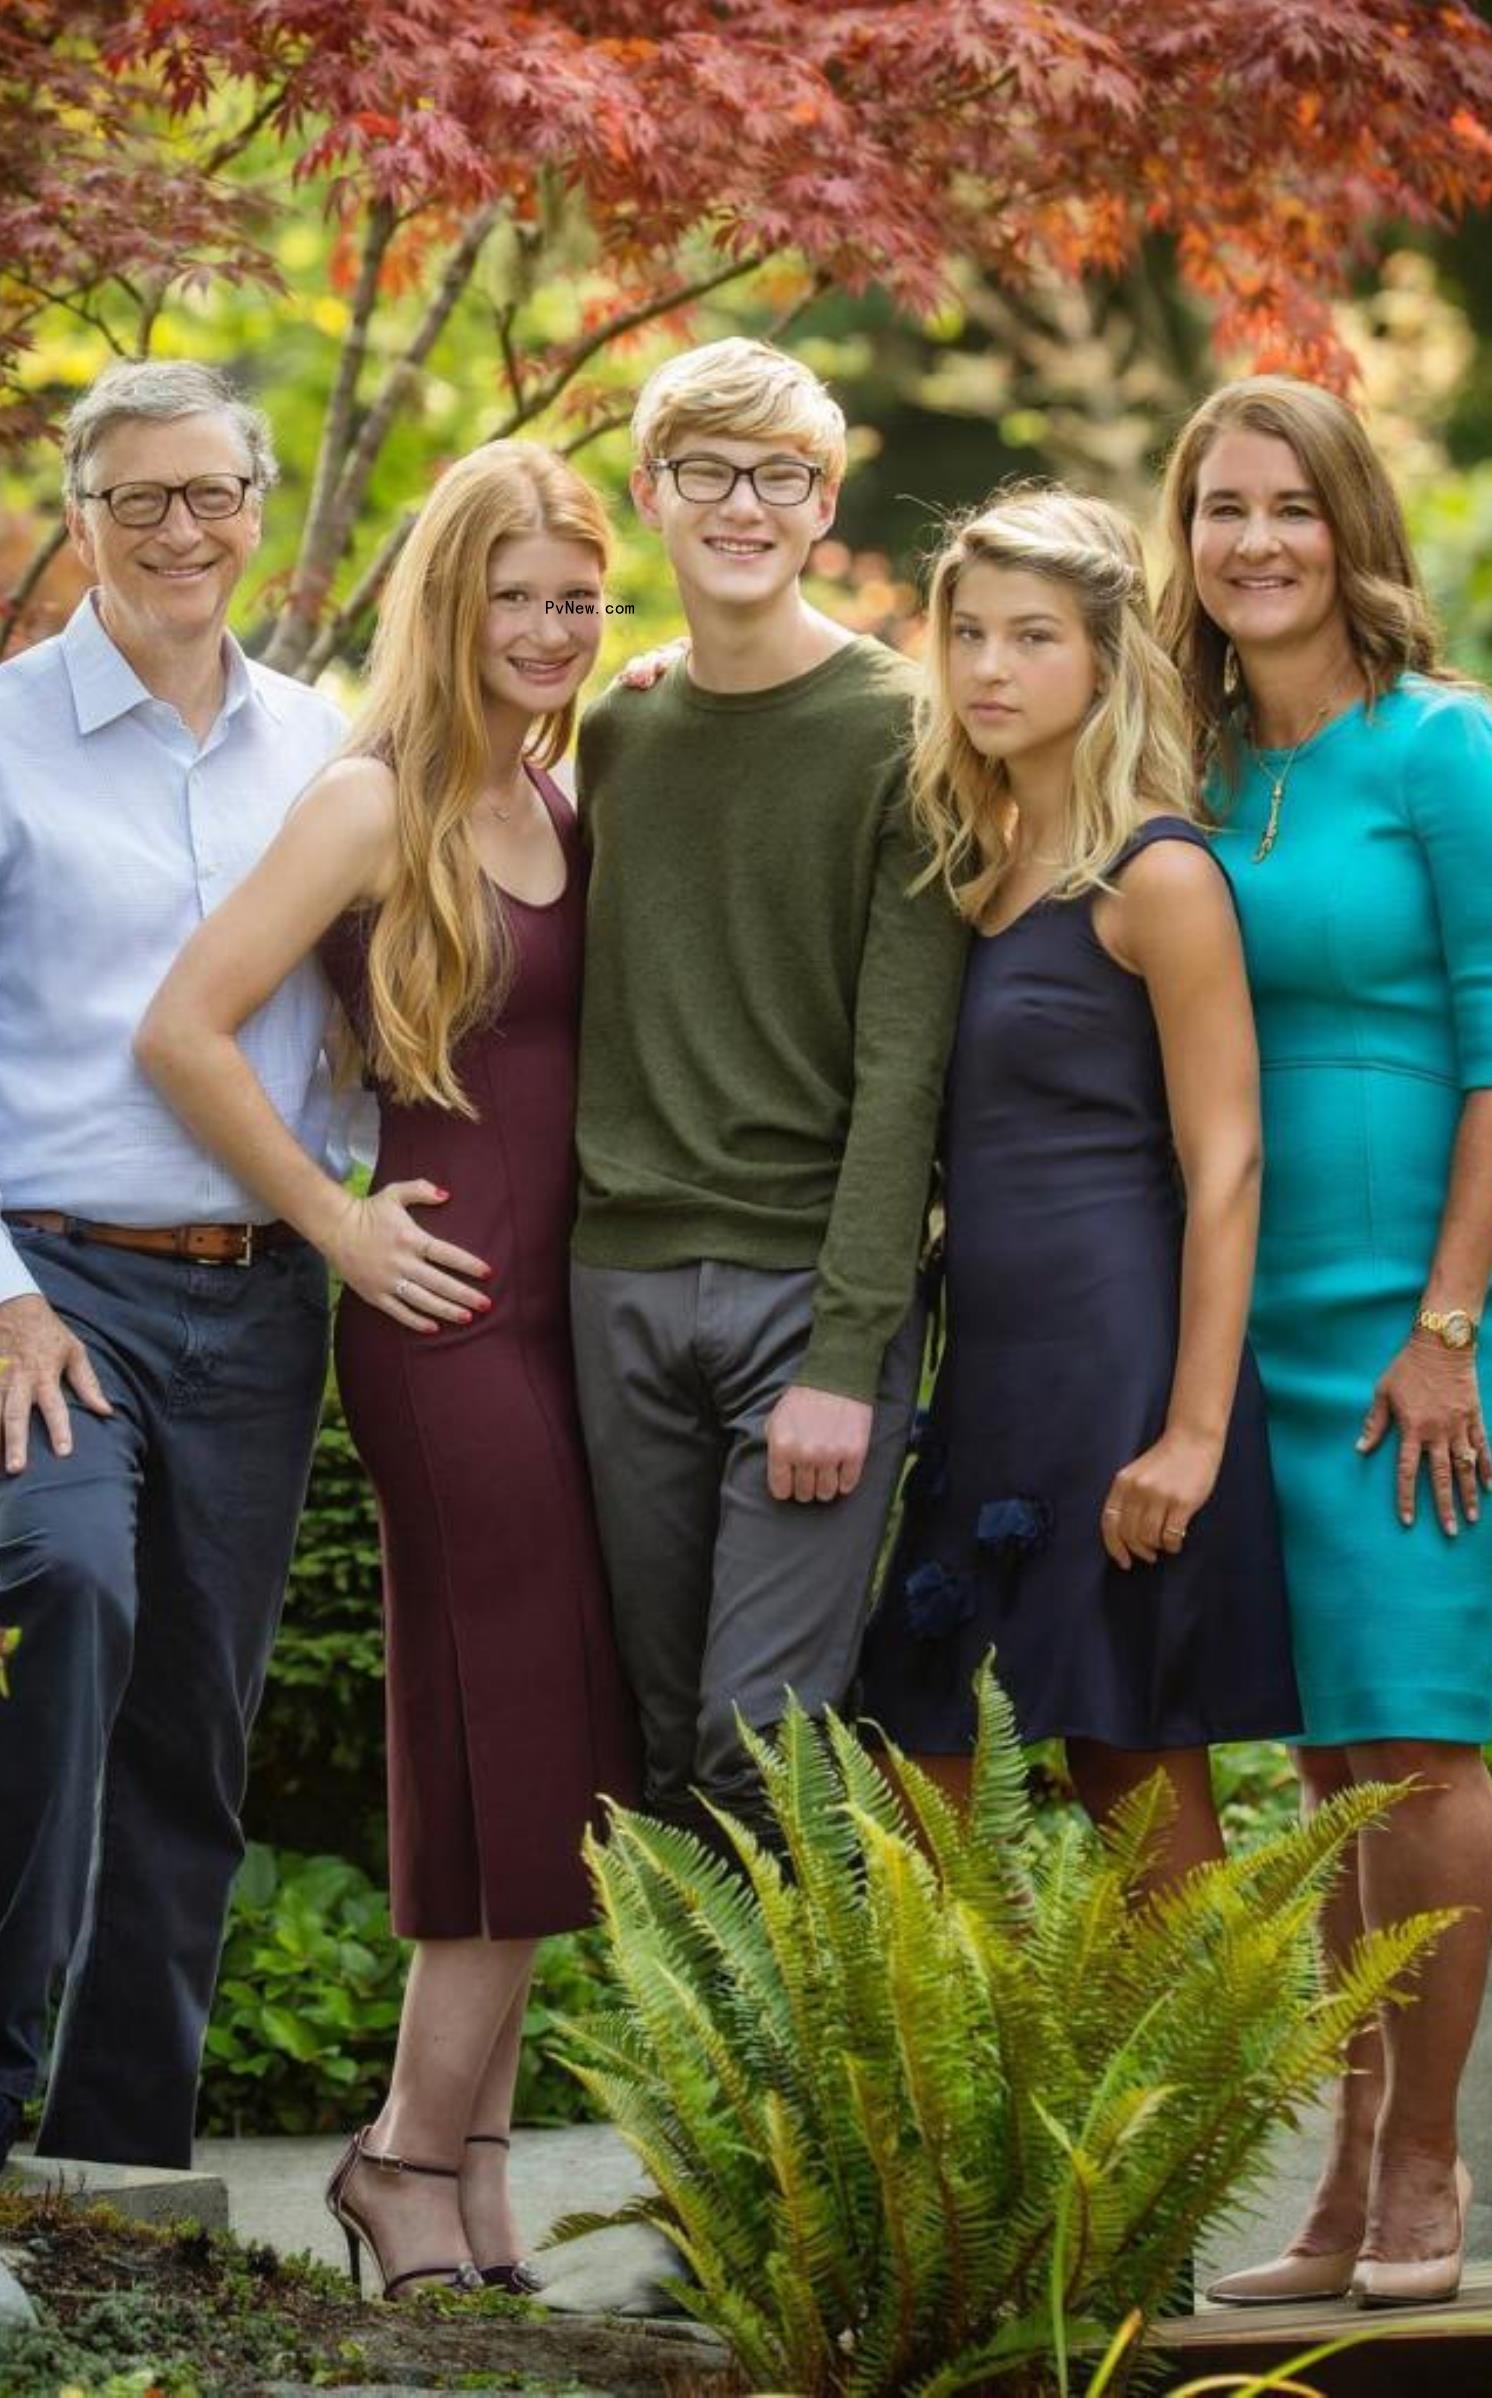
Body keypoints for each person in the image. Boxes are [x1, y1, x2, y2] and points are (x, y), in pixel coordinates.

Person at [0, 360, 348, 2183]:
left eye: (214, 493)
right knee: (56, 1594)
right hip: (53, 1284)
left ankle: (132, 2143)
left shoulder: (324, 744)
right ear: (82, 518)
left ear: (256, 505)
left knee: (198, 1713)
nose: (184, 531)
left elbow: (367, 1027)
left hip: (263, 1299)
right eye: (143, 500)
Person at [137, 440, 635, 2299]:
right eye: (513, 593)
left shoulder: (573, 792)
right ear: (450, 600)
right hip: (440, 1324)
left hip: (570, 1328)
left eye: (578, 595)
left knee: (522, 1747)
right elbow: (182, 1028)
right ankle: (405, 2157)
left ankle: (475, 2172)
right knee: (516, 1728)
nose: (548, 626)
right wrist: (336, 1222)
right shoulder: (371, 805)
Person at [1158, 376, 1492, 2308]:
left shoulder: (1446, 749)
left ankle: (1428, 2162)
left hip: (1430, 1299)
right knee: (1323, 1757)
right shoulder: (1201, 760)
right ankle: (1333, 2187)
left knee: (1411, 1728)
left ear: (1351, 525)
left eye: (1288, 506)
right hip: (1259, 1291)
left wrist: (1447, 1325)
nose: (1252, 540)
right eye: (1218, 508)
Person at [857, 486, 1299, 1879]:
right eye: (969, 634)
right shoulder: (971, 865)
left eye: (1033, 637)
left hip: (1118, 1374)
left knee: (1127, 1756)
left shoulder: (1157, 873)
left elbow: (1225, 1164)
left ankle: (1196, 2102)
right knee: (927, 1763)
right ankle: (971, 2105)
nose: (989, 667)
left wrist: (1192, 1434)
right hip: (985, 1371)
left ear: (1105, 660)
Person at [567, 338, 970, 1849]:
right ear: (649, 492)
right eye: (709, 473)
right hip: (619, 1285)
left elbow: (903, 1070)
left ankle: (826, 2082)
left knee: (763, 1742)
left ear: (826, 500)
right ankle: (712, 2090)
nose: (744, 505)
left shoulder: (901, 731)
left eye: (780, 476)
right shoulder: (619, 729)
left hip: (809, 1294)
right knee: (664, 1748)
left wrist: (849, 1351)